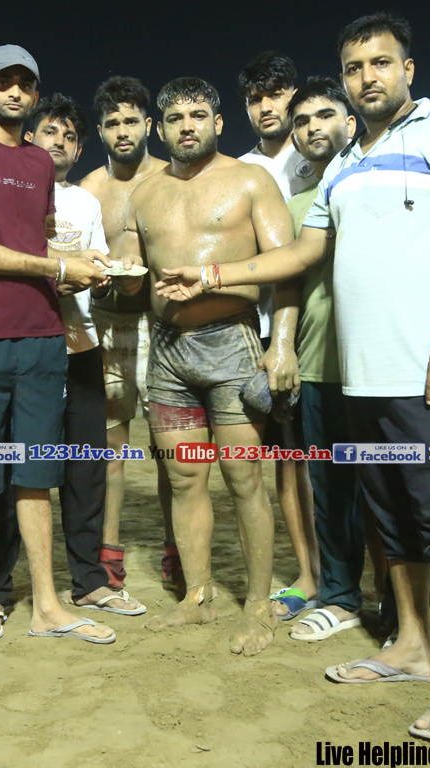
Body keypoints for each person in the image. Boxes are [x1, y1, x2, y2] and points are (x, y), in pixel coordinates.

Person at [157, 13, 430, 739]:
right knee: (393, 520)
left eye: (380, 62)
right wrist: (210, 275)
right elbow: (300, 254)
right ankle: (411, 645)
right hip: (361, 379)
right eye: (354, 67)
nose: (367, 77)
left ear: (408, 69)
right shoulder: (344, 164)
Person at [0, 46, 114, 679]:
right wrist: (56, 267)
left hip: (43, 337)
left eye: (25, 84)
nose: (14, 92)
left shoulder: (39, 161)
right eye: (2, 82)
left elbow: (36, 240)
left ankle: (46, 605)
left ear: (34, 95)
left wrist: (80, 270)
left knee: (37, 476)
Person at [121, 77, 299, 657]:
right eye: (175, 118)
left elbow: (287, 267)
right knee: (183, 478)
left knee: (243, 479)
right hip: (167, 351)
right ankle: (198, 595)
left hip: (232, 347)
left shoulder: (250, 180)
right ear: (160, 128)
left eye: (198, 115)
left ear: (218, 123)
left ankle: (257, 605)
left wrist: (283, 344)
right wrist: (109, 271)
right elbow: (131, 268)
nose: (187, 126)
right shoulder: (145, 194)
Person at [0, 94, 146, 618]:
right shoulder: (9, 187)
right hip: (25, 345)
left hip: (81, 346)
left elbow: (94, 265)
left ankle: (89, 580)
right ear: (30, 135)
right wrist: (57, 273)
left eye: (70, 137)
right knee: (13, 469)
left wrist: (107, 275)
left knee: (87, 468)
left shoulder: (84, 203)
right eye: (50, 131)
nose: (60, 143)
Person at [274, 78, 376, 643]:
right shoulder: (294, 207)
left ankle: (397, 605)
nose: (313, 126)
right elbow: (287, 283)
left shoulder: (381, 188)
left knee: (388, 491)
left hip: (381, 366)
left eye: (325, 114)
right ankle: (340, 599)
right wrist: (284, 345)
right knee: (331, 493)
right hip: (318, 366)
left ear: (351, 121)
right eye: (302, 120)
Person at [77, 77, 179, 595]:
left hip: (160, 324)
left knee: (168, 446)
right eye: (112, 122)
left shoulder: (170, 178)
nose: (122, 131)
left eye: (131, 121)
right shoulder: (89, 189)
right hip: (104, 323)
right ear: (100, 131)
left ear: (149, 126)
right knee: (110, 446)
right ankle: (110, 549)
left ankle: (176, 546)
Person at [236, 50, 319, 622]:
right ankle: (309, 575)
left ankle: (357, 575)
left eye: (276, 93)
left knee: (333, 459)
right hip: (265, 330)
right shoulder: (239, 168)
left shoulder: (318, 151)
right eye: (255, 97)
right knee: (289, 459)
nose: (267, 106)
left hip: (321, 324)